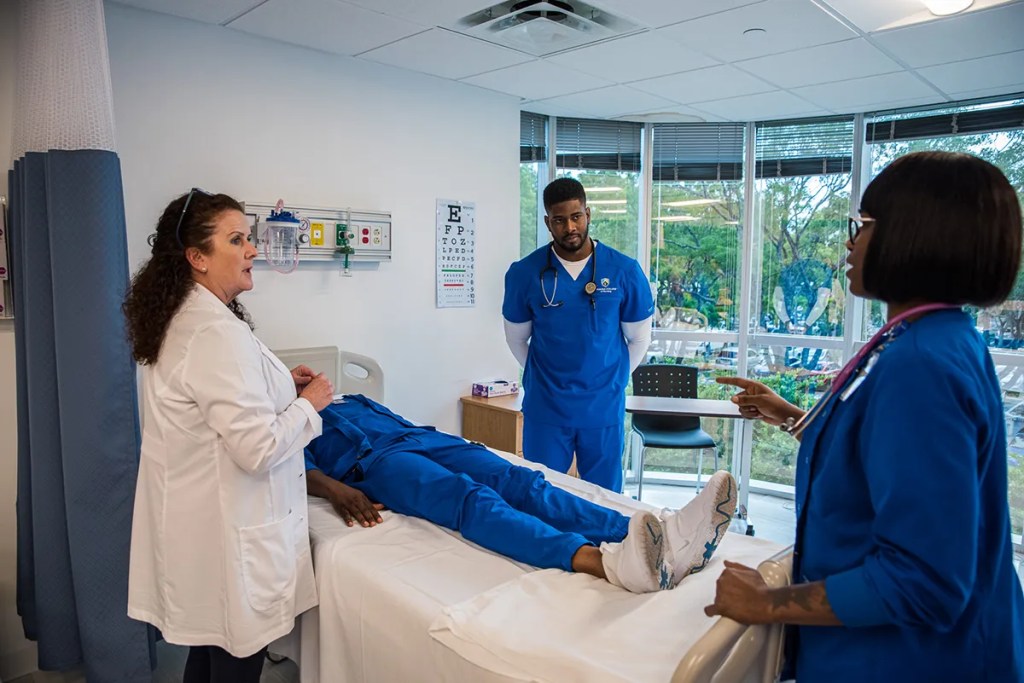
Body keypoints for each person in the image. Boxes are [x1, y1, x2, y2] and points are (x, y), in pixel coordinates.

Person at [706, 152, 1024, 682]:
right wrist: (786, 414)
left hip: (916, 661)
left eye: (864, 226)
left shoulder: (920, 363)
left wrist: (768, 603)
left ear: (915, 235)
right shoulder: (931, 338)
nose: (851, 243)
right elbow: (877, 452)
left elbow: (924, 579)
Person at [123, 190, 335, 682]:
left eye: (250, 237)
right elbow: (257, 449)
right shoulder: (214, 333)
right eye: (237, 239)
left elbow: (219, 402)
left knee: (208, 656)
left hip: (205, 529)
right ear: (197, 257)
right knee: (235, 664)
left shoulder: (192, 319)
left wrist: (284, 384)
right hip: (229, 535)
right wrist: (311, 403)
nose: (254, 249)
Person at [304, 394, 737, 592]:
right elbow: (285, 465)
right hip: (375, 463)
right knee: (468, 499)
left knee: (520, 481)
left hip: (420, 437)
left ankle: (657, 533)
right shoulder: (285, 420)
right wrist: (335, 489)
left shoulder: (347, 396)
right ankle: (606, 563)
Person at [503, 177, 654, 492]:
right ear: (548, 222)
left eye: (576, 217)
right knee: (542, 494)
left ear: (588, 213)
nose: (569, 227)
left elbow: (639, 339)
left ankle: (605, 544)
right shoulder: (524, 273)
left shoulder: (624, 271)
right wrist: (547, 377)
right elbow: (517, 339)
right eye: (559, 220)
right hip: (546, 408)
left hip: (603, 407)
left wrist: (612, 379)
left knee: (606, 497)